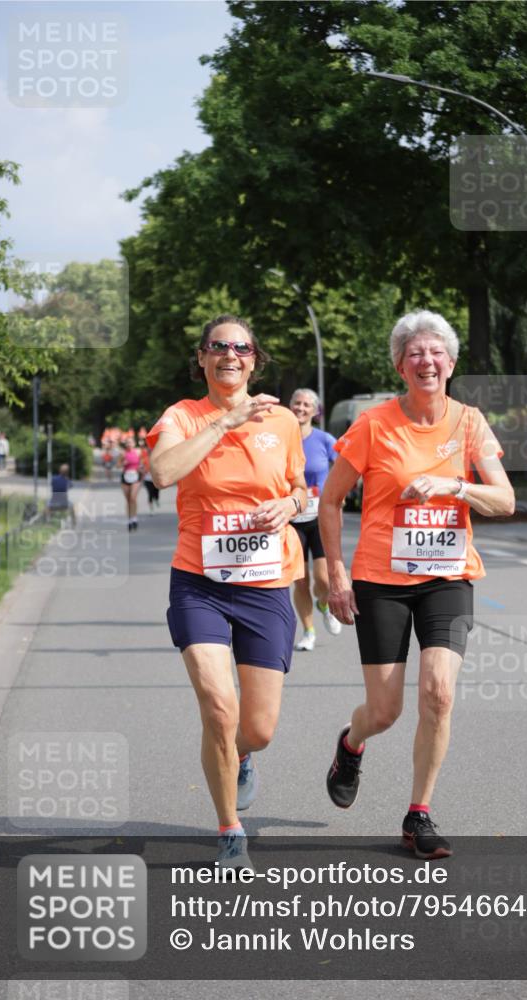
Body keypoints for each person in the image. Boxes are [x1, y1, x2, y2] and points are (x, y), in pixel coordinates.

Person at [319, 310, 515, 860]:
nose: (426, 361)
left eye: (435, 353)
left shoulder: (469, 422)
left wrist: (456, 485)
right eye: (415, 354)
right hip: (381, 579)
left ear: (450, 364)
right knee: (385, 711)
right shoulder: (374, 425)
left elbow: (505, 500)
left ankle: (419, 813)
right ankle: (350, 743)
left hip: (447, 578)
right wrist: (336, 573)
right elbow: (330, 500)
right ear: (400, 366)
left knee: (439, 694)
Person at [148, 314, 307, 869]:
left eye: (241, 347)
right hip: (200, 584)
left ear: (254, 359)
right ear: (202, 358)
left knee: (256, 729)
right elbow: (163, 472)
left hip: (266, 585)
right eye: (219, 347)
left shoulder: (283, 420)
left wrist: (290, 505)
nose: (230, 355)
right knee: (219, 707)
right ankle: (229, 828)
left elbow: (300, 490)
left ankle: (241, 757)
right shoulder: (183, 416)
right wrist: (225, 422)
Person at [288, 388, 342, 650]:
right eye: (297, 403)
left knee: (322, 579)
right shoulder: (280, 439)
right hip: (291, 518)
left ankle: (324, 604)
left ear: (315, 411)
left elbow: (344, 466)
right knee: (300, 580)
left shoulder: (324, 439)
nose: (301, 408)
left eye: (306, 404)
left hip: (318, 518)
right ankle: (308, 631)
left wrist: (337, 496)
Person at [119, 436, 143, 531]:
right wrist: (123, 463)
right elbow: (117, 465)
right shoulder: (123, 453)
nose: (129, 444)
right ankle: (129, 519)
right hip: (125, 477)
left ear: (134, 443)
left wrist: (141, 468)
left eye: (130, 442)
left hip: (136, 476)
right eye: (127, 443)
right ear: (126, 444)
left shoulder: (138, 452)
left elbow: (142, 463)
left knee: (133, 498)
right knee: (128, 500)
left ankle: (134, 518)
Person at [138, 437, 160, 513]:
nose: (150, 451)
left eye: (151, 450)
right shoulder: (144, 459)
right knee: (150, 493)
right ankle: (151, 509)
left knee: (156, 492)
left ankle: (156, 499)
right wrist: (143, 471)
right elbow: (140, 468)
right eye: (148, 450)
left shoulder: (156, 458)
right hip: (147, 479)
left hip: (155, 478)